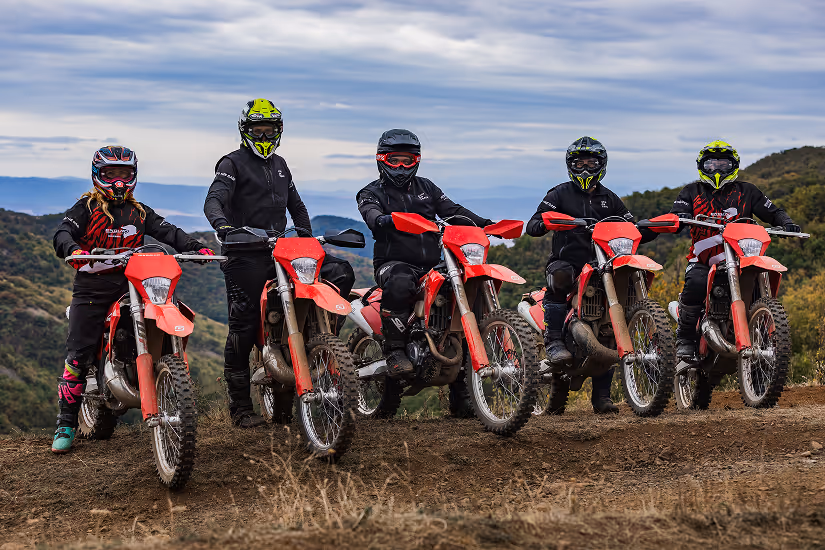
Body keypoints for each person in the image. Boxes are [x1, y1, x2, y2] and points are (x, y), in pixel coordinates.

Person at [51, 145, 213, 453]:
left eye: (125, 174)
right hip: (92, 287)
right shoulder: (86, 209)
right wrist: (71, 248)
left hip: (133, 284)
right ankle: (65, 423)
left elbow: (169, 231)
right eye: (112, 174)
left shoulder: (139, 212)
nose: (119, 182)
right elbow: (62, 232)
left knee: (169, 309)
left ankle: (163, 380)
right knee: (78, 353)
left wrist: (196, 247)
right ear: (99, 175)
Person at [204, 99, 355, 428]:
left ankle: (318, 337)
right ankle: (241, 410)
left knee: (340, 272)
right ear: (245, 130)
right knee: (242, 328)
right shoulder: (231, 163)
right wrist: (222, 226)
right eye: (258, 129)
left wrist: (307, 239)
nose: (264, 134)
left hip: (283, 251)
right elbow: (214, 198)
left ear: (279, 131)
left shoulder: (281, 165)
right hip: (244, 252)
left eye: (269, 129)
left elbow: (297, 208)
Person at [356, 129, 493, 414]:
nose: (403, 166)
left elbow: (452, 210)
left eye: (408, 160)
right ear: (383, 159)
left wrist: (483, 223)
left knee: (462, 303)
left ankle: (463, 398)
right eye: (396, 160)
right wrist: (382, 219)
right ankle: (394, 350)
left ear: (417, 160)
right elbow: (370, 215)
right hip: (393, 264)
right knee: (401, 282)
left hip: (433, 265)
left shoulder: (427, 187)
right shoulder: (371, 192)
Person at [526, 136, 655, 414]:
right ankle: (554, 341)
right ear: (570, 165)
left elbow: (630, 225)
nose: (585, 167)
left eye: (591, 162)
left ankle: (602, 398)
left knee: (608, 325)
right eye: (579, 162)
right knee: (558, 277)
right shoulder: (559, 194)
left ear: (601, 164)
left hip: (605, 265)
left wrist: (647, 228)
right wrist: (558, 221)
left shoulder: (610, 198)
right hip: (569, 262)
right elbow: (534, 225)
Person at [669, 140, 800, 359]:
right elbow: (678, 212)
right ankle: (684, 339)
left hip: (744, 258)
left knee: (760, 283)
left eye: (723, 164)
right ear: (702, 165)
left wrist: (786, 222)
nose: (717, 169)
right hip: (704, 261)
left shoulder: (747, 191)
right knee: (696, 283)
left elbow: (772, 211)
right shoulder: (691, 191)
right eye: (712, 164)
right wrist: (680, 218)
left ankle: (764, 343)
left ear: (734, 165)